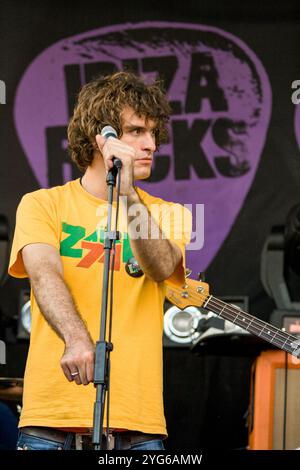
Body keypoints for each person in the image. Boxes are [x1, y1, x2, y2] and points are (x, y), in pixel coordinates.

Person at [8, 71, 191, 450]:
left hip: (136, 422)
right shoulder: (42, 204)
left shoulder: (171, 213)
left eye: (154, 134)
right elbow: (44, 275)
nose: (151, 144)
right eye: (137, 131)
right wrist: (76, 339)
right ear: (100, 138)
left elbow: (159, 267)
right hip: (50, 418)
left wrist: (126, 195)